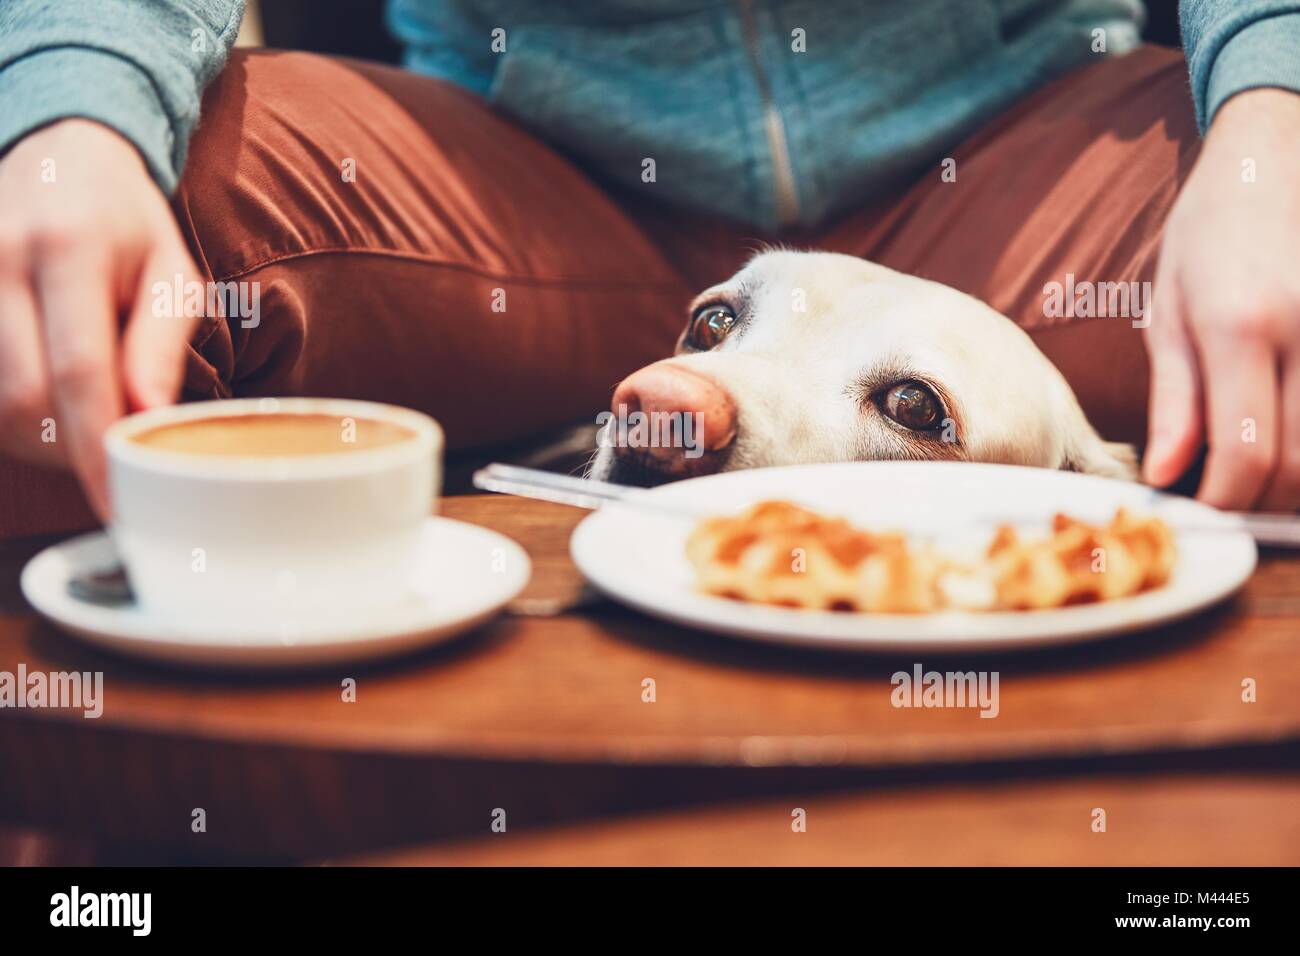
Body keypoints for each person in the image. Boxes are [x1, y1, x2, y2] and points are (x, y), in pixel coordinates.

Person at [0, 0, 1297, 530]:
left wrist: (1279, 108)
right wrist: (71, 109)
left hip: (1021, 160)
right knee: (100, 254)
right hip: (531, 185)